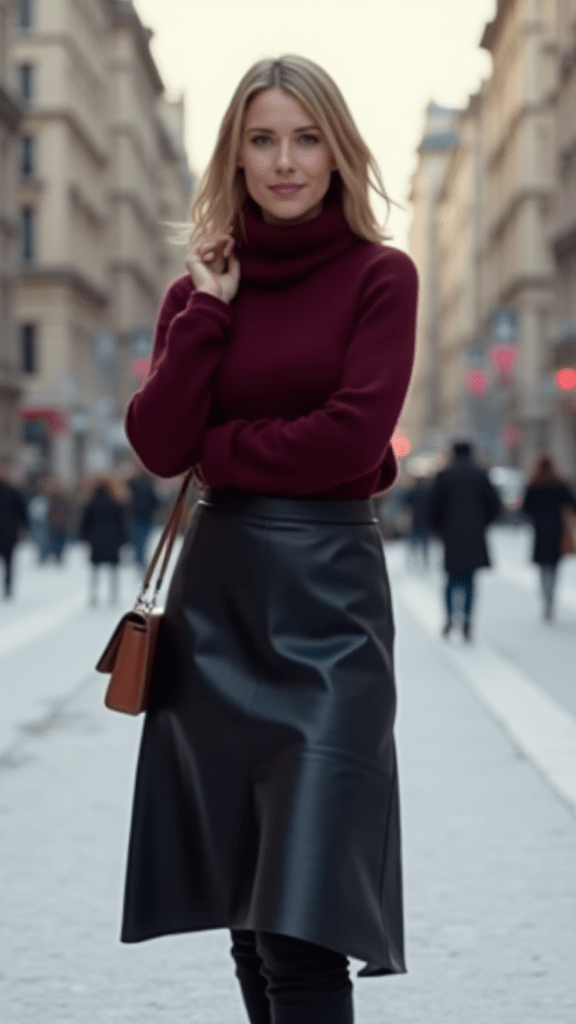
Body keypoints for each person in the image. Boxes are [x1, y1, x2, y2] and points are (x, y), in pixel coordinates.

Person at [120, 55, 418, 1024]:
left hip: (330, 611)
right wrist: (209, 309)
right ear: (236, 156)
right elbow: (158, 443)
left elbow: (352, 440)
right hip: (216, 610)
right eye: (263, 139)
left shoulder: (382, 276)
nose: (285, 161)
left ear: (337, 152)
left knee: (303, 921)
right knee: (249, 917)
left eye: (305, 138)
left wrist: (221, 448)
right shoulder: (196, 291)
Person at [429, 441, 502, 641]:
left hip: (450, 534)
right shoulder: (480, 475)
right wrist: (482, 523)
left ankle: (450, 616)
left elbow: (433, 506)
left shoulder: (444, 475)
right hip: (474, 534)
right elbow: (495, 505)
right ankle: (468, 620)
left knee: (451, 579)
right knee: (469, 580)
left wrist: (438, 529)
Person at [521, 455, 576, 620]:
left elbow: (526, 508)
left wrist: (536, 517)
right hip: (557, 529)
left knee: (543, 567)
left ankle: (546, 597)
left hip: (540, 530)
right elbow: (572, 503)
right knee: (554, 566)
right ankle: (550, 597)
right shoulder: (559, 484)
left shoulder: (534, 485)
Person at [79, 474, 128, 606]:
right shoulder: (116, 503)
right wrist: (124, 539)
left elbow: (85, 523)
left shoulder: (91, 504)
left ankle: (93, 594)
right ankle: (114, 594)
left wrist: (84, 537)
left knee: (95, 569)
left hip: (96, 540)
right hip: (113, 539)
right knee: (113, 569)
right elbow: (122, 523)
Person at [0, 460, 29, 599]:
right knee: (9, 562)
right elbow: (23, 512)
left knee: (9, 561)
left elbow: (22, 511)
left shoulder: (13, 491)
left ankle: (8, 586)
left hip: (8, 532)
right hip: (9, 532)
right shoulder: (13, 491)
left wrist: (25, 525)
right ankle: (8, 586)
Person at [126, 464, 159, 571]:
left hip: (136, 517)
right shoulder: (148, 485)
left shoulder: (132, 485)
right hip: (146, 518)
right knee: (143, 540)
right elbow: (156, 502)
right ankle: (140, 560)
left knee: (137, 540)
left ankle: (139, 560)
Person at [402, 475, 431, 569]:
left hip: (414, 520)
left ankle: (413, 560)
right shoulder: (427, 492)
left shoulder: (412, 492)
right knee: (424, 543)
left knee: (413, 542)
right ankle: (425, 561)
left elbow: (406, 505)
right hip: (425, 520)